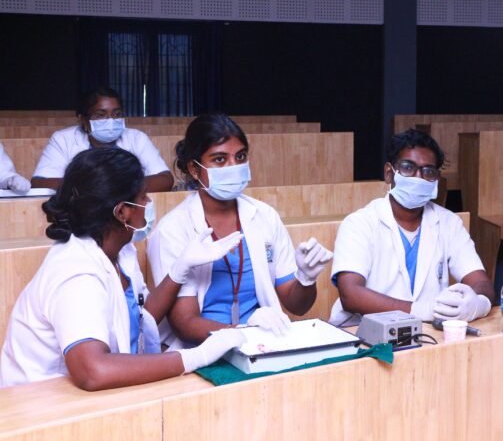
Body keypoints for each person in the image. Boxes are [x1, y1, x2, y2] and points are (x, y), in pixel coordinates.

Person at [0, 147, 245, 390]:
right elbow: (92, 372)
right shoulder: (76, 272)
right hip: (41, 400)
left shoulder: (120, 252)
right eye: (143, 196)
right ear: (121, 212)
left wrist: (180, 269)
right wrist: (196, 357)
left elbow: (141, 317)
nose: (149, 203)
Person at [148, 114, 332, 346]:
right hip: (202, 349)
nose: (233, 167)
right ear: (195, 169)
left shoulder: (264, 216)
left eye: (240, 157)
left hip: (261, 343)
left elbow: (297, 306)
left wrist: (306, 279)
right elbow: (185, 324)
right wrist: (246, 332)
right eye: (220, 159)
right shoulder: (173, 230)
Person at [329, 129, 495, 327]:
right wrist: (419, 310)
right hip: (361, 331)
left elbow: (480, 282)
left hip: (426, 334)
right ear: (389, 173)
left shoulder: (449, 223)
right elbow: (350, 295)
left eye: (428, 172)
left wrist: (478, 304)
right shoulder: (359, 223)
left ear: (437, 179)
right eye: (408, 168)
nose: (418, 177)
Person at [30, 87, 173, 192]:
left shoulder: (136, 138)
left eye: (117, 114)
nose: (110, 121)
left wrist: (118, 187)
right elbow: (40, 183)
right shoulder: (63, 139)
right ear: (83, 119)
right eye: (100, 115)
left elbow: (165, 179)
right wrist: (96, 187)